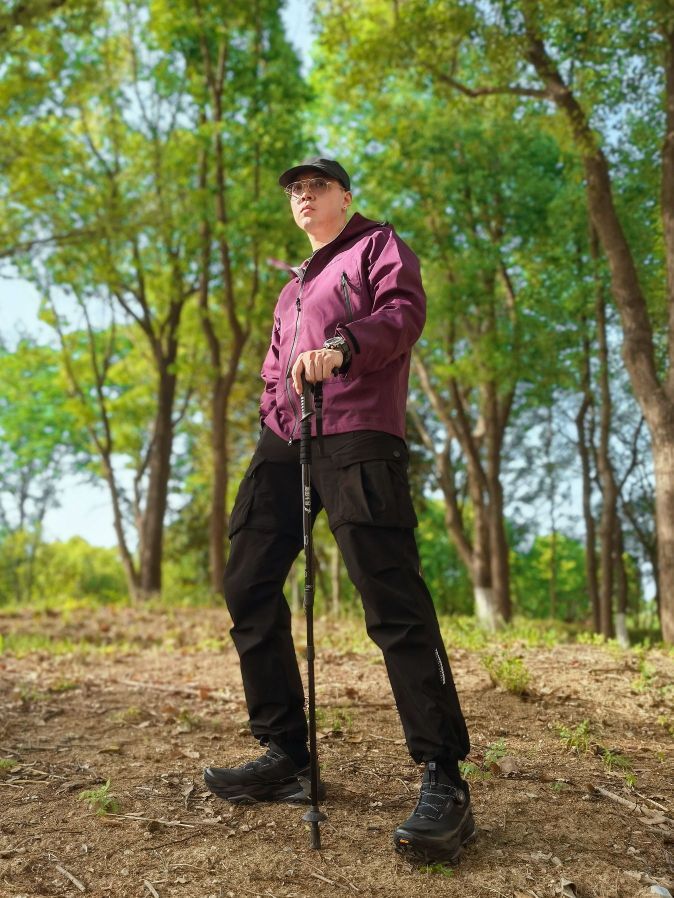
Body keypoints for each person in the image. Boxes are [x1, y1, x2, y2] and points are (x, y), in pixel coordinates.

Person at [203, 157, 475, 863]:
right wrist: (274, 409)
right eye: (295, 189)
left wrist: (341, 348)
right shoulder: (291, 286)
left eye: (316, 186)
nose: (303, 196)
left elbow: (403, 315)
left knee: (391, 601)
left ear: (345, 197)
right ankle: (286, 756)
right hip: (286, 441)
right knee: (248, 582)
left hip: (359, 435)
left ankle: (444, 777)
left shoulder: (378, 246)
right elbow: (274, 368)